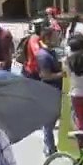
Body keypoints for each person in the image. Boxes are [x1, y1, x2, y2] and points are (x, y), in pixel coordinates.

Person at [30, 25, 64, 155]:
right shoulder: (43, 55)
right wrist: (63, 74)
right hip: (49, 90)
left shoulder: (51, 52)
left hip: (56, 89)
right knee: (49, 121)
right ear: (47, 38)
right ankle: (49, 147)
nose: (58, 39)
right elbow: (45, 75)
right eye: (55, 37)